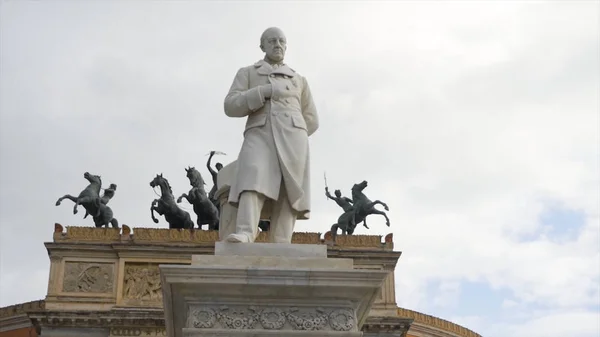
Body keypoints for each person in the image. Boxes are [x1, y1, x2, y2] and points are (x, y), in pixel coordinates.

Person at [223, 27, 319, 243]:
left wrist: (297, 134)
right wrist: (260, 93)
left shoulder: (299, 80)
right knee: (252, 175)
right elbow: (230, 106)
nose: (278, 45)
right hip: (260, 132)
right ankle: (247, 231)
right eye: (272, 41)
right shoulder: (248, 72)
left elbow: (312, 118)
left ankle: (281, 239)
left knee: (289, 187)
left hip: (293, 137)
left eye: (282, 41)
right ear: (263, 46)